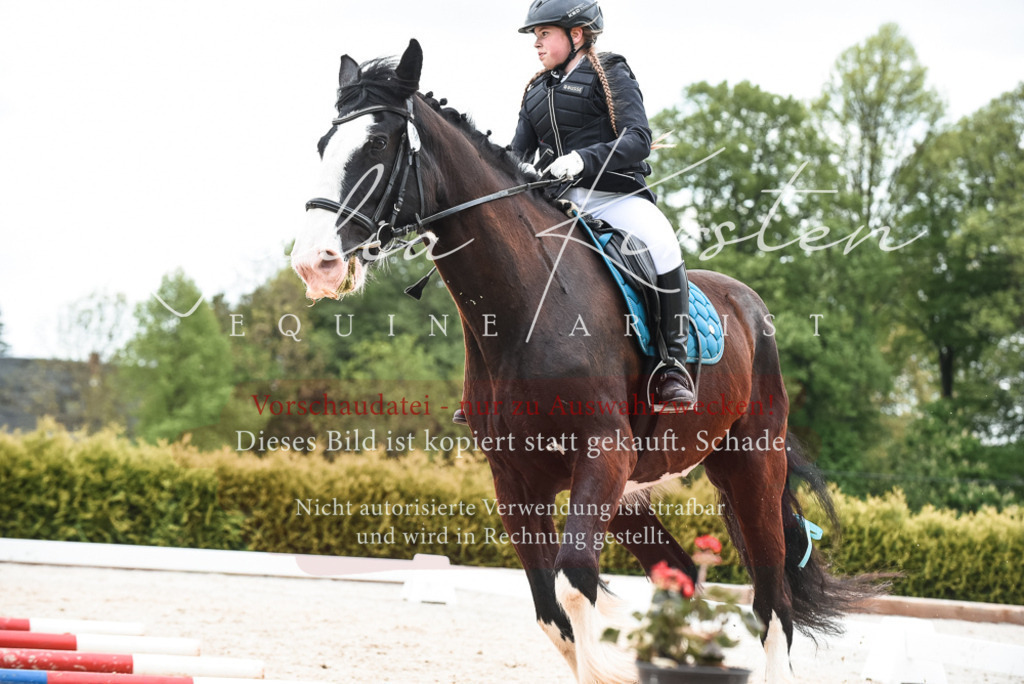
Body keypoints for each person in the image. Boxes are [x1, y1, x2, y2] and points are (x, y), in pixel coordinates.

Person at [512, 0, 696, 413]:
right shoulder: (535, 91)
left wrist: (582, 159)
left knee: (663, 245)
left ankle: (672, 365)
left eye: (544, 34)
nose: (536, 44)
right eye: (536, 37)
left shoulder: (609, 72)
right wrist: (518, 170)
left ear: (576, 34)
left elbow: (638, 138)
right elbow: (516, 152)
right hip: (556, 204)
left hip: (614, 197)